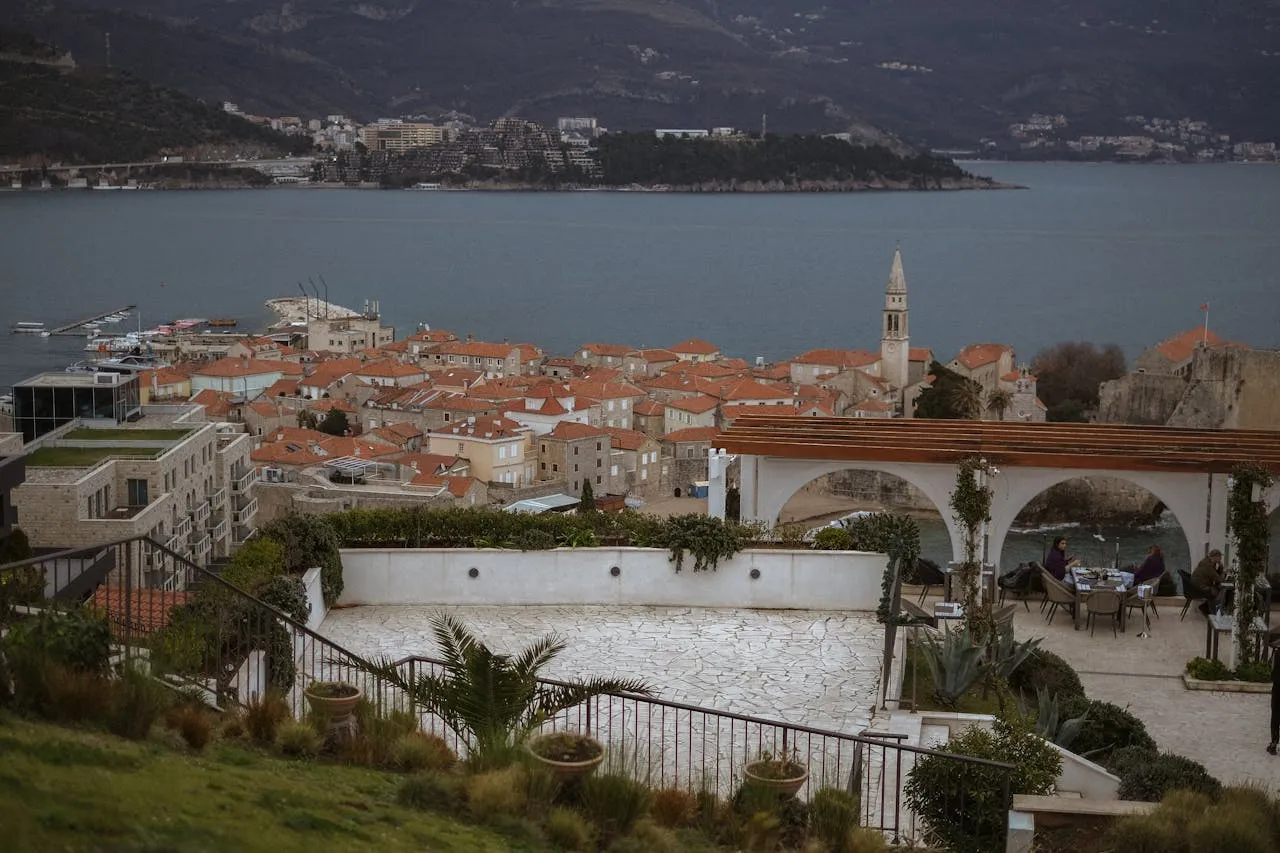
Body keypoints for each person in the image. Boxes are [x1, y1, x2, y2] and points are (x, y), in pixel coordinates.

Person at [1190, 549, 1225, 615]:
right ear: (1215, 557)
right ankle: (1213, 612)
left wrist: (1220, 567)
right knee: (1218, 592)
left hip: (1197, 586)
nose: (1221, 558)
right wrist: (1222, 568)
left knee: (1216, 590)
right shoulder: (1208, 565)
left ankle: (1206, 607)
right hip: (1199, 587)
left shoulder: (1207, 562)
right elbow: (1218, 579)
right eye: (1220, 557)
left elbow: (1215, 575)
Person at [1268, 639, 1279, 755]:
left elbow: (1272, 670)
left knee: (1275, 715)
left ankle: (1274, 743)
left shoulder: (1277, 652)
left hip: (1278, 687)